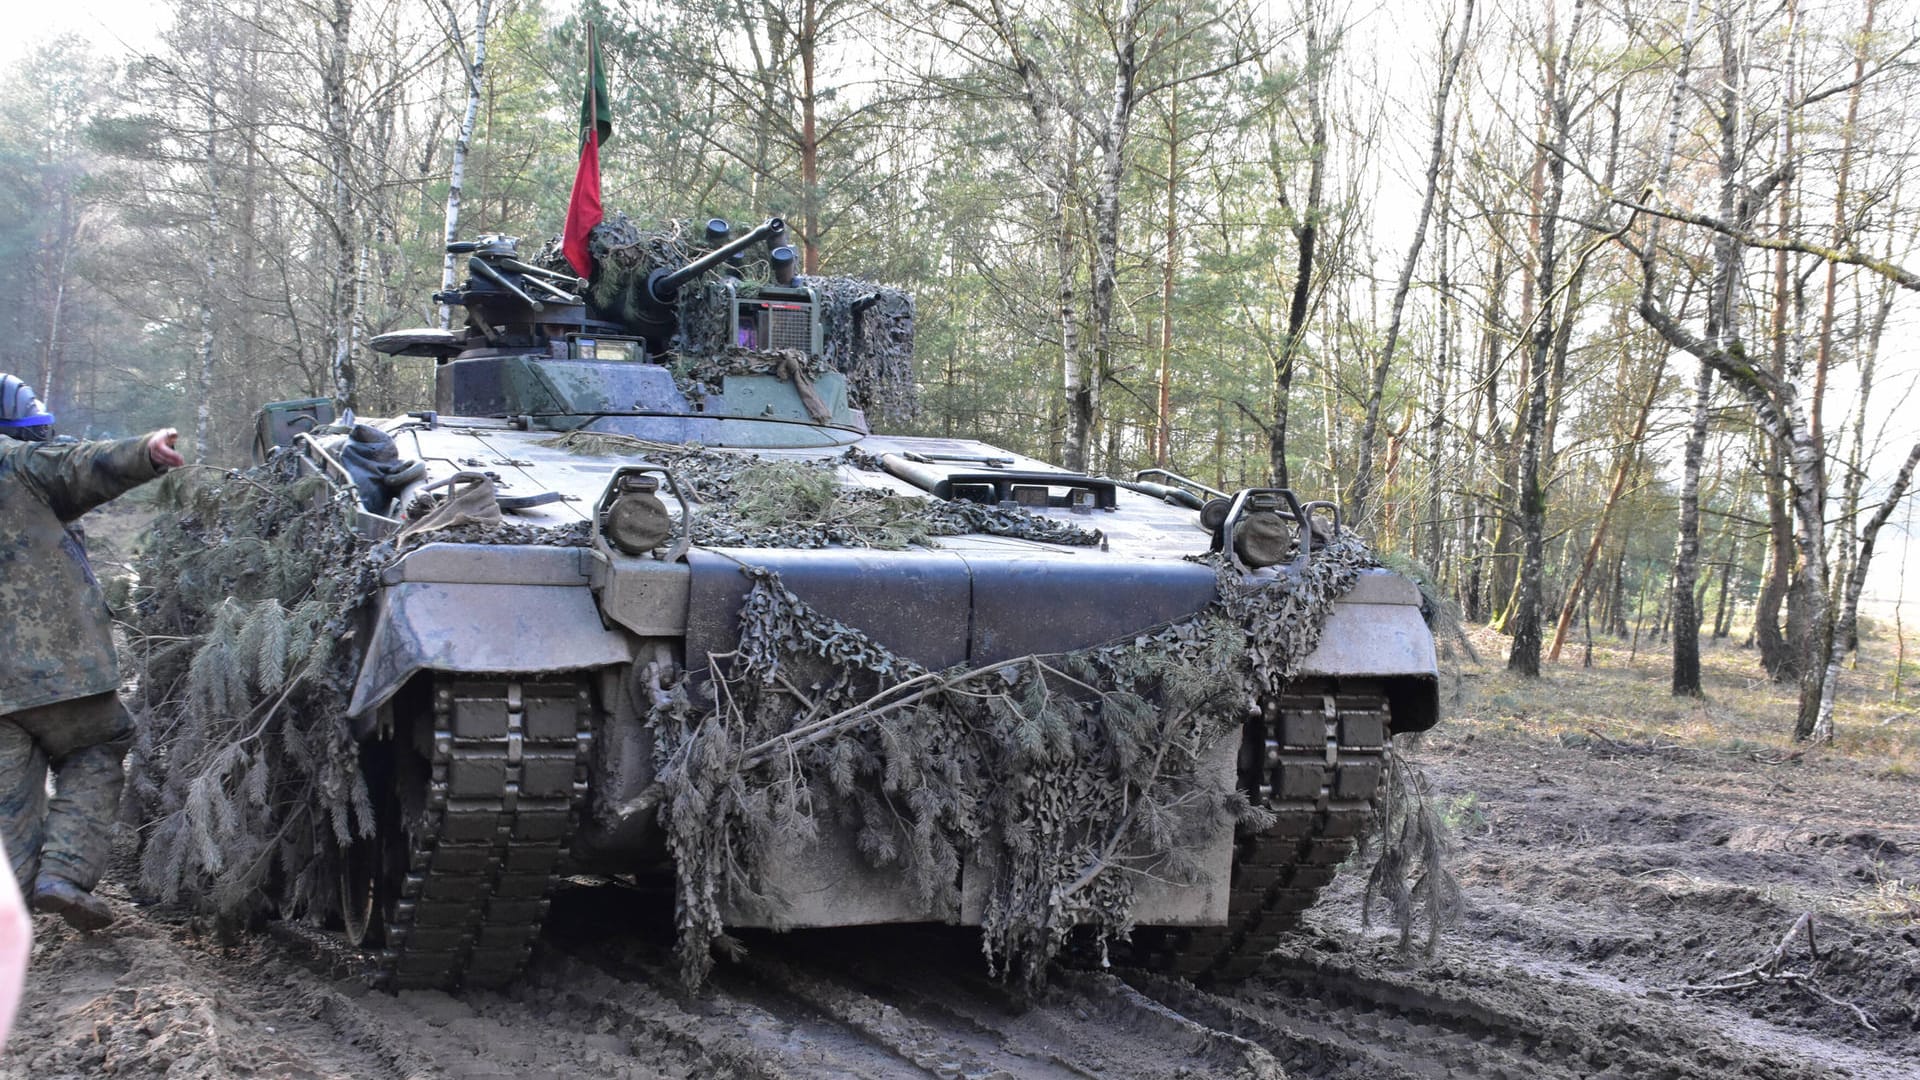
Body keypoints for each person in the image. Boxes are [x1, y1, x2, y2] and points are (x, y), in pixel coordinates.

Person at [0, 373, 185, 932]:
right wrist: (145, 452)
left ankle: (15, 897)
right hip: (63, 669)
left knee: (10, 794)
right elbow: (79, 464)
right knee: (98, 747)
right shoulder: (17, 464)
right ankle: (63, 874)